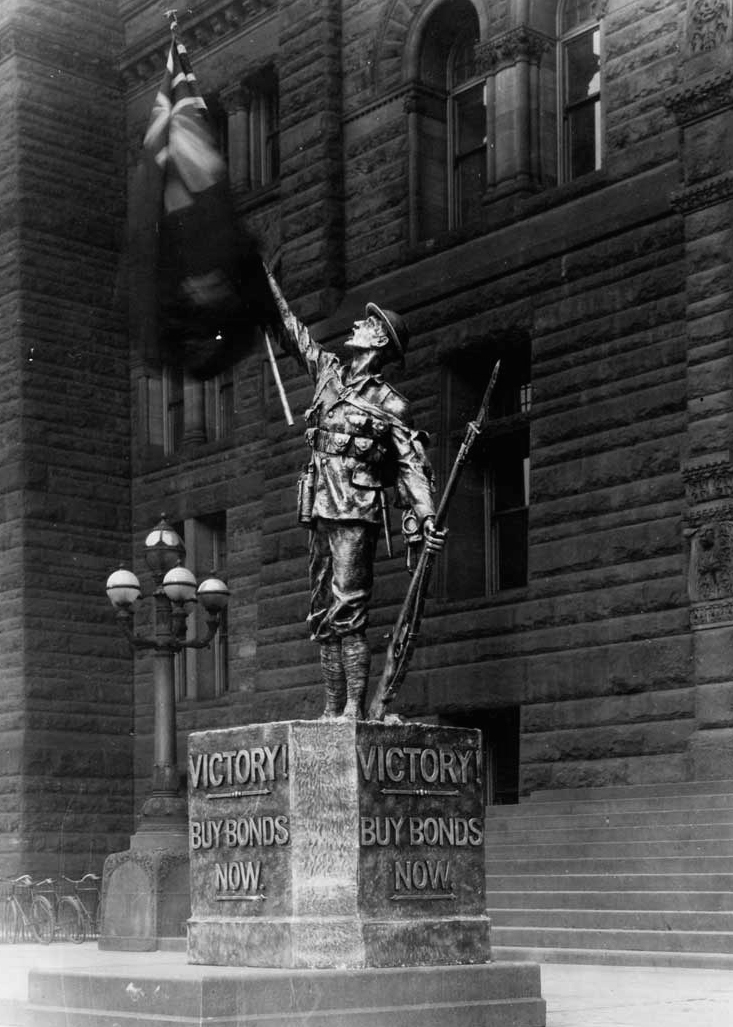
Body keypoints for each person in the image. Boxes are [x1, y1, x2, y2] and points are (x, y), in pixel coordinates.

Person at [266, 269, 443, 720]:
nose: (357, 325)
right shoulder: (328, 374)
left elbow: (410, 463)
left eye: (368, 323)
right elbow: (293, 332)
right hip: (319, 506)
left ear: (381, 341)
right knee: (323, 613)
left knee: (349, 608)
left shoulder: (390, 403)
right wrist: (265, 287)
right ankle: (330, 711)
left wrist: (426, 517)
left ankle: (352, 711)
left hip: (355, 509)